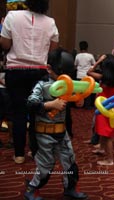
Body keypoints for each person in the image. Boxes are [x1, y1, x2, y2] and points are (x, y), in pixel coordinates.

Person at [24, 48, 88, 200]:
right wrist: (49, 104)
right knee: (45, 166)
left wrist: (79, 100)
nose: (64, 77)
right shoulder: (42, 84)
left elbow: (73, 99)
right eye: (60, 73)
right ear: (49, 68)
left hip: (62, 133)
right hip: (43, 134)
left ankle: (70, 187)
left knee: (70, 163)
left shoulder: (68, 83)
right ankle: (32, 188)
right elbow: (30, 104)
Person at [0, 0, 59, 164]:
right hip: (39, 72)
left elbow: (4, 43)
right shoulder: (50, 22)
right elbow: (53, 48)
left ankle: (19, 155)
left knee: (18, 113)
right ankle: (35, 151)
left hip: (16, 70)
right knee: (36, 113)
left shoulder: (12, 16)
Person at [87, 54, 114, 166]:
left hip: (104, 107)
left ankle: (109, 160)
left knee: (107, 136)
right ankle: (102, 149)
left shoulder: (103, 78)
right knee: (104, 132)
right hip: (113, 107)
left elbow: (89, 72)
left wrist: (97, 62)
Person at [74, 40, 96, 108]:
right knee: (88, 91)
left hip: (79, 75)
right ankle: (87, 105)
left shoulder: (77, 56)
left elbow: (75, 65)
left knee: (79, 91)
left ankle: (78, 105)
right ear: (87, 47)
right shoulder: (90, 56)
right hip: (87, 76)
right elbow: (94, 65)